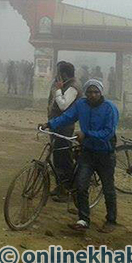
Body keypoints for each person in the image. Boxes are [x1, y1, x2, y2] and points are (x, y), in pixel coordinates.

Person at [41, 79, 119, 233]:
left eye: (96, 92)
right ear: (85, 93)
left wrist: (87, 134)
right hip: (87, 152)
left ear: (101, 92)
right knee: (81, 186)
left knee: (108, 188)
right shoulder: (81, 105)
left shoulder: (110, 108)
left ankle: (111, 220)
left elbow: (108, 132)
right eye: (89, 92)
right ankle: (83, 220)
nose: (92, 95)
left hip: (105, 153)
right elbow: (67, 117)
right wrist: (50, 124)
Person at [46, 62, 82, 201]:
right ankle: (60, 186)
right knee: (58, 158)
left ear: (64, 74)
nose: (56, 75)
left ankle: (66, 190)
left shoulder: (73, 87)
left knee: (64, 159)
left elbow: (63, 105)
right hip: (57, 125)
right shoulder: (66, 84)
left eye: (58, 72)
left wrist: (58, 89)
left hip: (65, 127)